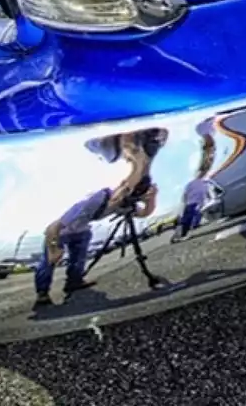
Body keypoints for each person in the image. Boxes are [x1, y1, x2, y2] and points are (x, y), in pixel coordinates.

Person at [33, 131, 159, 310]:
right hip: (61, 232)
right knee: (49, 261)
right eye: (125, 192)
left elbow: (142, 213)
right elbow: (52, 227)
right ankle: (42, 293)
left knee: (79, 259)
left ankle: (74, 282)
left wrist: (151, 199)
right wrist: (54, 248)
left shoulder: (120, 203)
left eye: (130, 196)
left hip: (82, 230)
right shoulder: (94, 199)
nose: (123, 200)